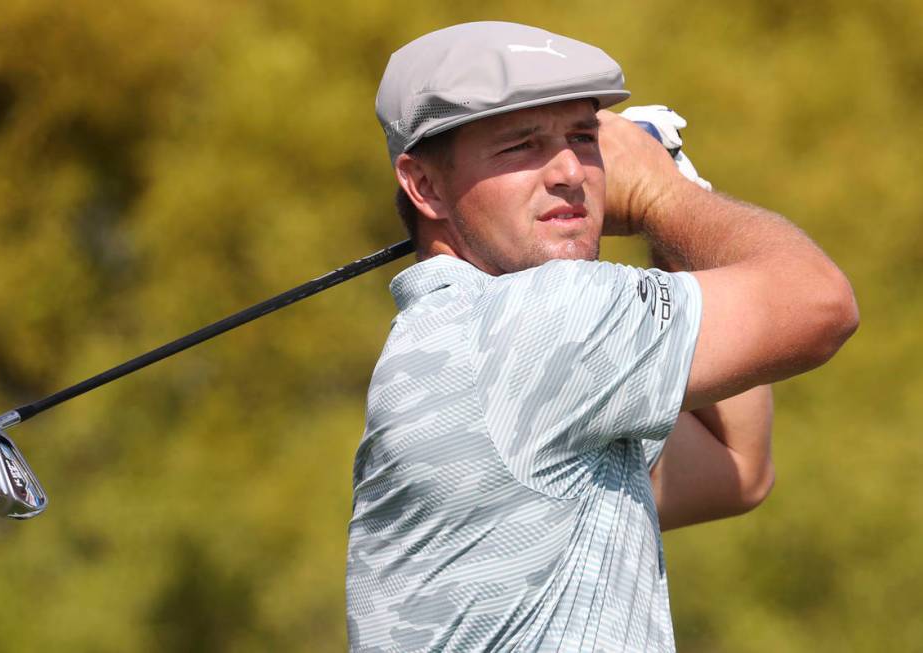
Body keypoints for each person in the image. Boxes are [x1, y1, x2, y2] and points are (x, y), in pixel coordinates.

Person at [346, 21, 857, 652]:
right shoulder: (534, 320)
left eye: (584, 138)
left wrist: (675, 199)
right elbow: (819, 302)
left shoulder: (459, 344)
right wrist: (661, 196)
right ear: (424, 185)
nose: (569, 171)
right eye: (520, 147)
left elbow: (737, 469)